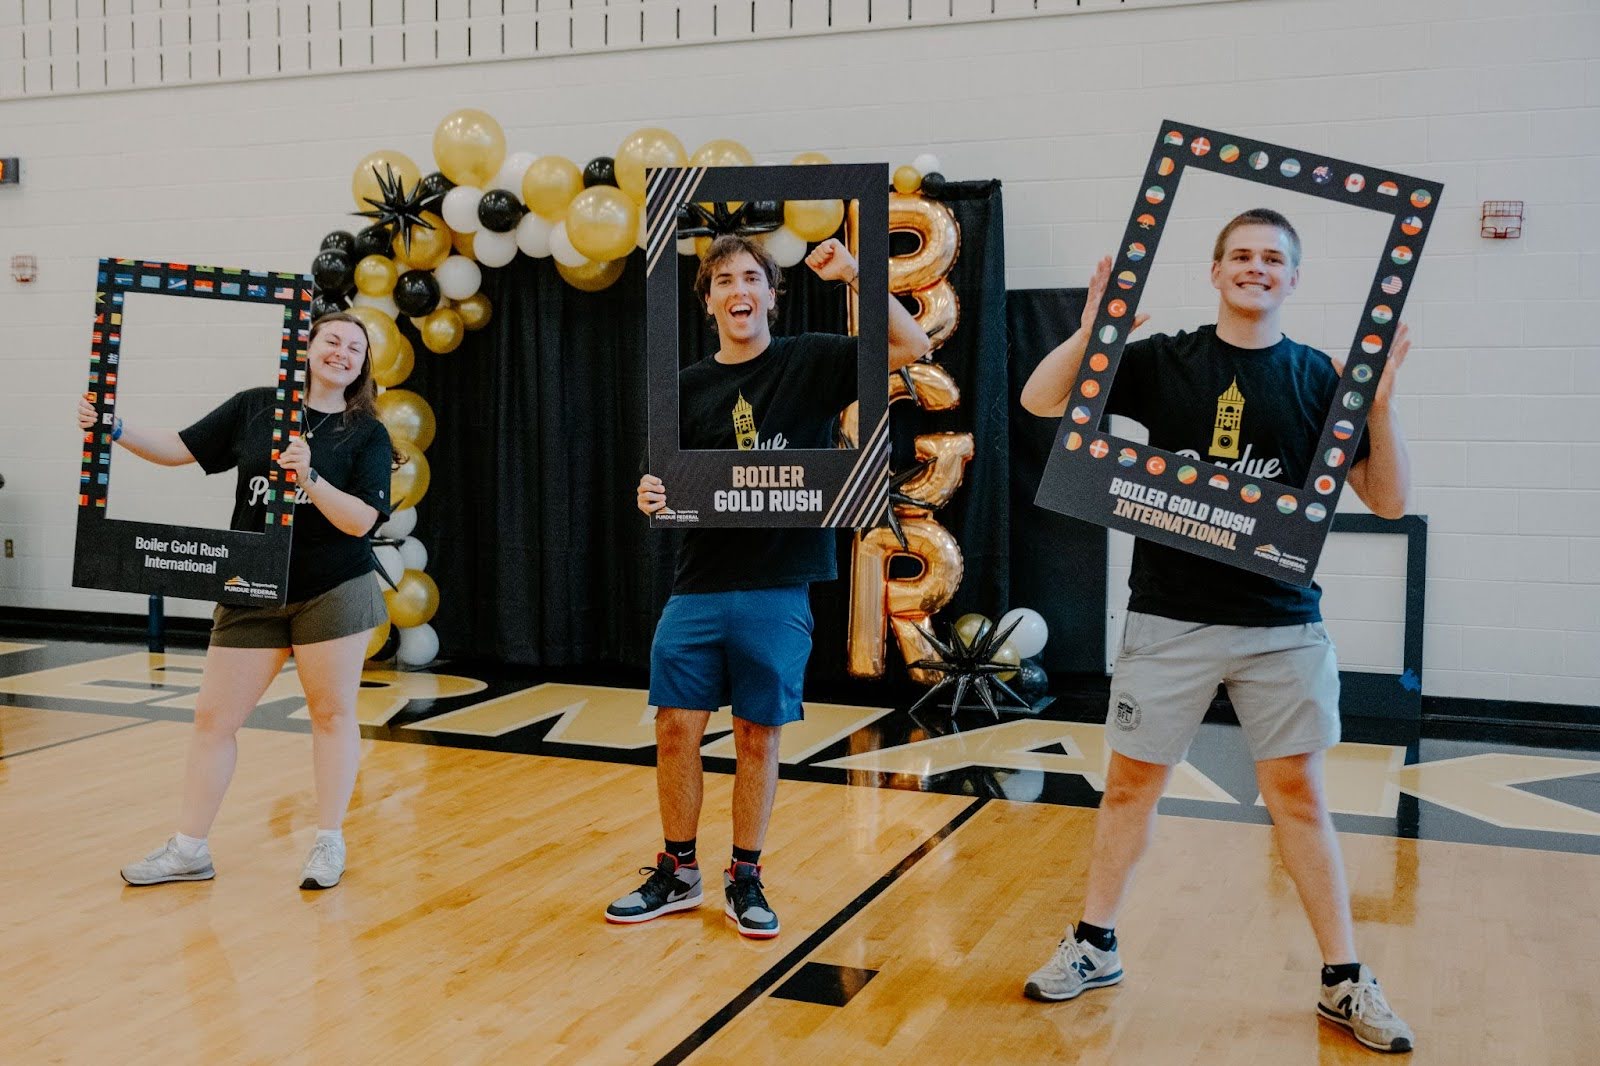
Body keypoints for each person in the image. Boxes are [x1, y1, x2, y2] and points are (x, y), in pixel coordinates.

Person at [1019, 208, 1416, 1053]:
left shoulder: (1318, 379)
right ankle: (1095, 943)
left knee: (1299, 797)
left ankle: (1345, 979)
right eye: (1241, 255)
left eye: (1273, 258)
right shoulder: (1169, 362)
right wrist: (1092, 332)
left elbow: (1387, 499)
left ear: (1294, 278)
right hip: (1169, 617)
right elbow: (1041, 397)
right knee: (1130, 788)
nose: (1256, 268)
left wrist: (1378, 406)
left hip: (1282, 623)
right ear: (1215, 271)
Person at [610, 233, 929, 938]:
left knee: (757, 736)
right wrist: (650, 494)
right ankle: (679, 870)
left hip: (779, 582)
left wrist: (857, 272)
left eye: (751, 277)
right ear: (710, 303)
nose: (737, 290)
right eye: (722, 280)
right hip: (697, 582)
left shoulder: (811, 360)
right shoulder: (684, 387)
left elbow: (909, 347)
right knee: (673, 728)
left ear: (771, 296)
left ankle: (746, 877)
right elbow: (658, 482)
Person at [80, 311, 399, 890]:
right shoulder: (256, 407)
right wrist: (114, 427)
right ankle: (189, 850)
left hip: (333, 587)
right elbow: (180, 448)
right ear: (306, 346)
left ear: (362, 366)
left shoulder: (367, 433)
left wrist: (311, 480)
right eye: (332, 339)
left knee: (331, 715)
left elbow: (361, 523)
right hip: (251, 586)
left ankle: (328, 843)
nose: (342, 352)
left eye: (355, 348)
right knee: (213, 718)